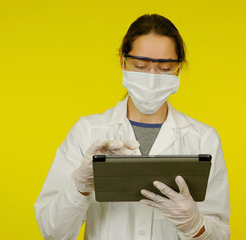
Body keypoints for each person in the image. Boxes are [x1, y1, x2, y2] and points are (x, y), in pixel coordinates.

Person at [34, 14, 231, 240]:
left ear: (178, 70)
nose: (152, 77)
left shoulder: (204, 139)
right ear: (123, 62)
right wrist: (79, 186)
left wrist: (195, 227)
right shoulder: (87, 131)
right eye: (140, 66)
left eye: (165, 68)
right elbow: (52, 232)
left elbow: (220, 235)